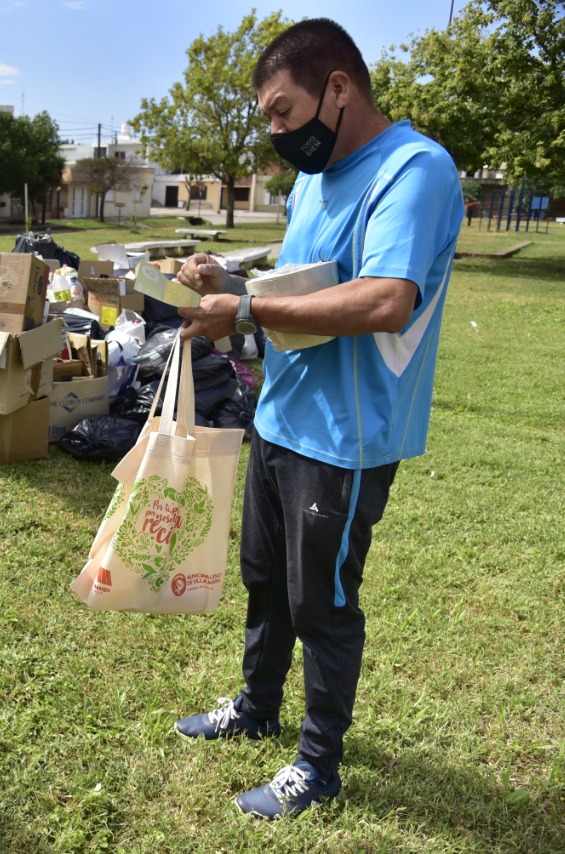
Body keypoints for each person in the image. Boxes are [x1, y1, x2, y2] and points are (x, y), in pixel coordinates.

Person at [171, 18, 462, 819]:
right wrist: (229, 283)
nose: (276, 131)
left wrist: (245, 310)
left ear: (338, 88)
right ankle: (257, 705)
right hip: (280, 414)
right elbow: (302, 291)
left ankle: (318, 765)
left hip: (346, 435)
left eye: (282, 110)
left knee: (321, 605)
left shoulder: (413, 169)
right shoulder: (314, 177)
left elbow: (384, 298)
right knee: (265, 579)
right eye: (268, 117)